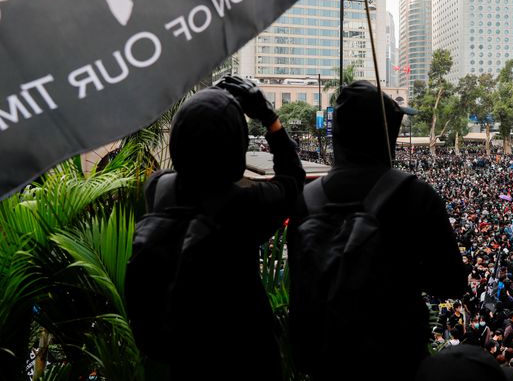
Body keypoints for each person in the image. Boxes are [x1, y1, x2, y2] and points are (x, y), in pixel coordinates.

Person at [290, 81, 467, 380]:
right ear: (386, 133)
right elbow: (450, 284)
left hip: (327, 364)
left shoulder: (305, 200)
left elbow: (300, 288)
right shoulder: (415, 195)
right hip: (397, 361)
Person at [137, 77, 305, 379]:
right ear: (236, 147)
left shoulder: (158, 188)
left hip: (185, 359)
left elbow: (188, 165)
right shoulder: (244, 207)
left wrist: (207, 105)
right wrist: (269, 118)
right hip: (245, 359)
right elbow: (293, 178)